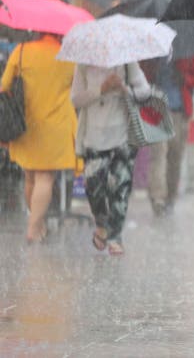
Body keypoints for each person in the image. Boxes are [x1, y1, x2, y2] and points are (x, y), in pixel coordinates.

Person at [0, 33, 78, 243]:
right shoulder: (68, 55)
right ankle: (34, 228)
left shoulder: (22, 51)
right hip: (56, 124)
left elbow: (4, 85)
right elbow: (76, 89)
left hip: (27, 122)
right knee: (45, 177)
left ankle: (37, 224)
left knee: (30, 177)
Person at [71, 61, 150, 255]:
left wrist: (125, 90)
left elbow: (145, 92)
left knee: (120, 187)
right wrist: (101, 89)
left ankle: (115, 235)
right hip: (93, 137)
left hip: (122, 137)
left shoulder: (127, 62)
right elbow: (75, 99)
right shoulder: (83, 63)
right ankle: (101, 224)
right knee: (94, 186)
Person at [141, 56, 194, 217]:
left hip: (179, 112)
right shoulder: (153, 54)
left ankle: (170, 197)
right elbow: (142, 79)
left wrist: (185, 79)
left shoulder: (188, 54)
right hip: (157, 112)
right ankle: (157, 198)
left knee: (175, 158)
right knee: (158, 156)